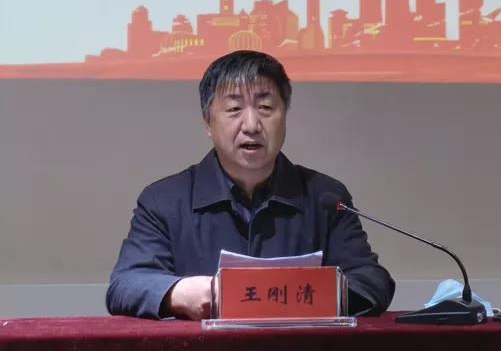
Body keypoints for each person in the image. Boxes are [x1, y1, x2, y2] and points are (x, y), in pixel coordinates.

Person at [106, 50, 395, 320]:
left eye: (266, 107)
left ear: (285, 116)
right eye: (234, 109)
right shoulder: (164, 200)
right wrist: (178, 293)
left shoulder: (325, 196)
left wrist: (306, 293)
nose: (252, 125)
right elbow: (126, 283)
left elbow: (372, 280)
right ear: (208, 122)